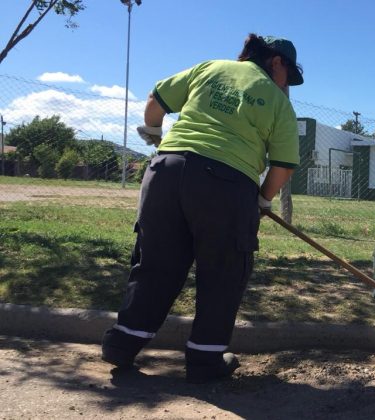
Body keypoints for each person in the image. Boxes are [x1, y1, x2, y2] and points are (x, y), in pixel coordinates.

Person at [101, 33, 303, 384]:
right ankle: (206, 361)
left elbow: (156, 101)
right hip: (227, 186)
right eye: (290, 76)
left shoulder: (209, 68)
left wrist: (153, 132)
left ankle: (122, 344)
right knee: (223, 272)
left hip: (166, 172)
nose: (289, 86)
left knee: (155, 264)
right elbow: (282, 166)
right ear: (276, 63)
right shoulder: (278, 102)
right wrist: (261, 200)